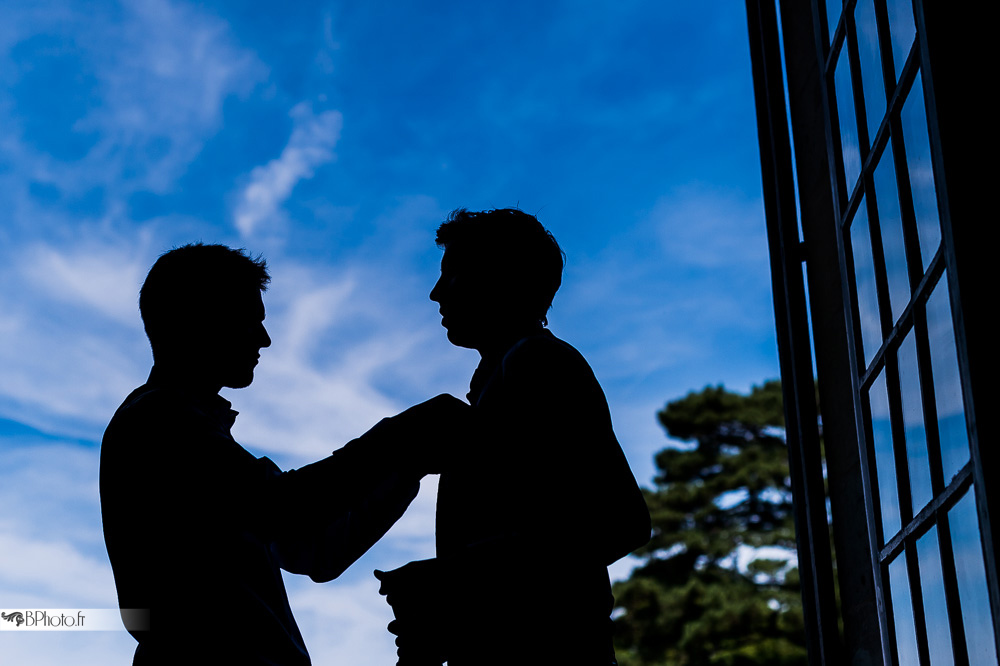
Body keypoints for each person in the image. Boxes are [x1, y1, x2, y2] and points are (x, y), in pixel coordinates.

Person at [101, 243, 466, 665]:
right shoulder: (159, 422)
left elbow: (318, 550)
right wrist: (401, 438)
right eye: (250, 321)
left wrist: (408, 463)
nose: (265, 339)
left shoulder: (195, 440)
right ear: (200, 321)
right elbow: (283, 509)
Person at [376, 209, 651, 665]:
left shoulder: (537, 362)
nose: (436, 293)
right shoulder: (508, 376)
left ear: (499, 280)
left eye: (454, 275)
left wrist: (451, 578)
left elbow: (620, 521)